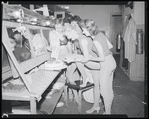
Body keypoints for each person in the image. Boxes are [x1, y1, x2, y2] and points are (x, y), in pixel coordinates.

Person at [84, 19, 117, 114]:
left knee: (103, 91)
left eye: (84, 29)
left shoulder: (95, 41)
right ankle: (108, 111)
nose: (83, 31)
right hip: (111, 61)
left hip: (106, 64)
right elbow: (110, 46)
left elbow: (101, 58)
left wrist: (89, 58)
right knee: (109, 89)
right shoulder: (100, 34)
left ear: (88, 29)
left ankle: (108, 113)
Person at [63, 23, 101, 104]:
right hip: (93, 60)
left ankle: (85, 77)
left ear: (73, 31)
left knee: (76, 59)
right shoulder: (80, 38)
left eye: (68, 35)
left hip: (97, 63)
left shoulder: (82, 40)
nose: (68, 38)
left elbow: (86, 59)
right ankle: (79, 76)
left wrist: (72, 59)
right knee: (76, 58)